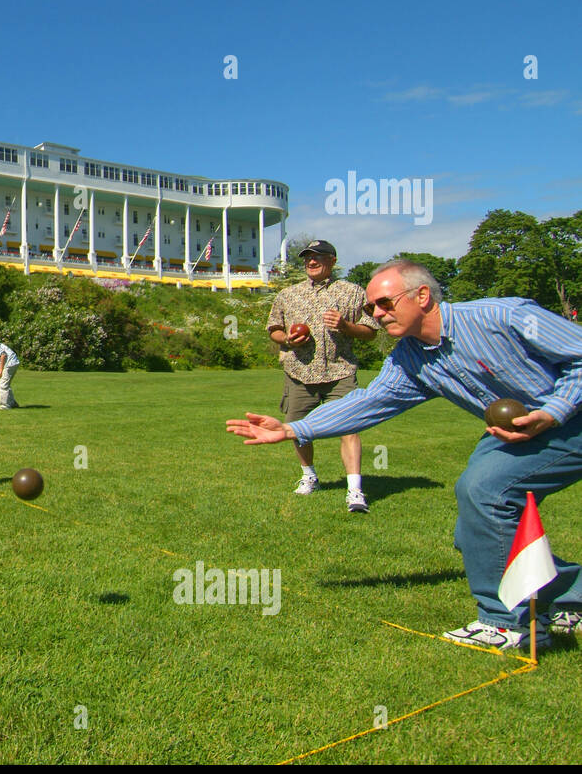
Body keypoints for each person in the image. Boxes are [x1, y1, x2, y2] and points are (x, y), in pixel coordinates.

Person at [227, 259, 582, 651]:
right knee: (473, 532)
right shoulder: (409, 359)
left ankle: (509, 624)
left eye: (384, 304)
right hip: (517, 433)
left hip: (572, 419)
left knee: (486, 493)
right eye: (370, 309)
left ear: (422, 296)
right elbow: (369, 402)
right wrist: (293, 428)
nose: (376, 315)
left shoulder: (503, 316)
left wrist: (553, 411)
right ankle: (572, 596)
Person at [266, 240, 380, 512]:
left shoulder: (352, 292)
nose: (311, 262)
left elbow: (371, 330)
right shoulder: (288, 294)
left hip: (340, 371)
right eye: (307, 258)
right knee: (297, 429)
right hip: (299, 372)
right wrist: (288, 340)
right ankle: (310, 476)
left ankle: (354, 491)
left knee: (349, 426)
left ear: (332, 260)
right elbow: (274, 329)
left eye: (317, 257)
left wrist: (345, 326)